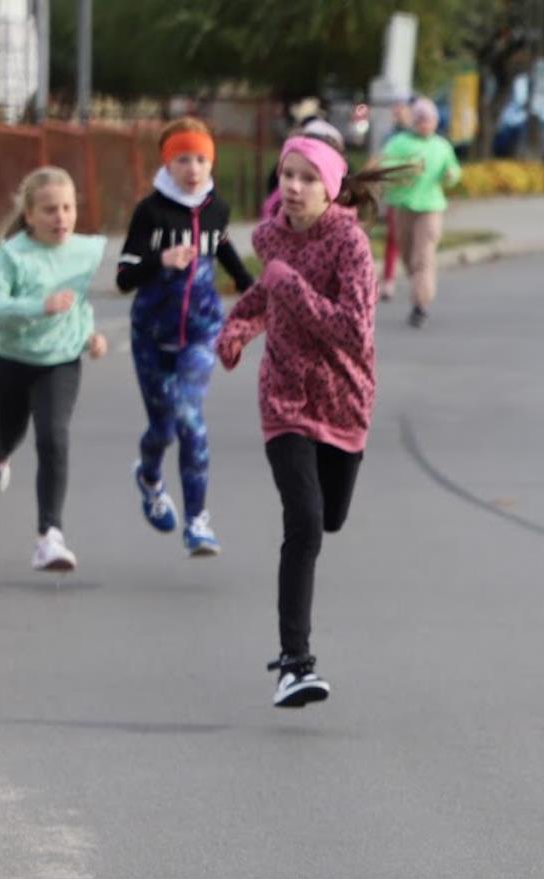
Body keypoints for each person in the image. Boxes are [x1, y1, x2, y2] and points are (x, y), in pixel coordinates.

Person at [216, 137, 388, 708]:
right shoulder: (270, 239)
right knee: (306, 524)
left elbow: (353, 331)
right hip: (285, 399)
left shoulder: (350, 245)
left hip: (344, 400)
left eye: (307, 178)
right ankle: (295, 663)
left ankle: (295, 661)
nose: (293, 187)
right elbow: (265, 296)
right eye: (287, 175)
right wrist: (237, 329)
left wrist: (289, 284)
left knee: (331, 516)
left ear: (331, 188)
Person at [116, 118, 253, 557]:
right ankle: (149, 477)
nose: (192, 168)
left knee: (189, 417)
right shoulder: (150, 212)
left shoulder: (216, 209)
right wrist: (162, 260)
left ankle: (197, 521)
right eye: (182, 160)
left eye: (200, 159)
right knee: (162, 428)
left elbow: (223, 246)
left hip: (201, 331)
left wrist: (252, 289)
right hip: (152, 335)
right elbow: (123, 277)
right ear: (167, 164)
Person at [0, 167, 109, 572]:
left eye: (68, 208)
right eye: (50, 210)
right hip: (12, 361)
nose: (61, 217)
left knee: (53, 438)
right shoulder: (12, 256)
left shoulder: (85, 251)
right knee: (8, 431)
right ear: (30, 215)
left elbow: (79, 302)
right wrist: (39, 306)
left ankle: (49, 536)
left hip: (60, 362)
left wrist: (89, 335)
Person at [378, 98, 462, 328]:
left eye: (429, 119)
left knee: (423, 256)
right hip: (403, 206)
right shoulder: (399, 143)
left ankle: (420, 304)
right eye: (421, 119)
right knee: (407, 255)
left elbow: (453, 170)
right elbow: (384, 167)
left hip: (431, 208)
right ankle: (419, 287)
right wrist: (406, 169)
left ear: (435, 121)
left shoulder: (441, 146)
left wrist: (451, 175)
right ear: (414, 121)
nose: (425, 124)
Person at [377, 100, 412, 301]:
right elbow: (384, 162)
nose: (399, 115)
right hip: (397, 196)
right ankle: (389, 280)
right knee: (393, 238)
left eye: (403, 111)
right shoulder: (390, 137)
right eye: (396, 112)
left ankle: (417, 275)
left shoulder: (418, 137)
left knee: (414, 240)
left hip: (418, 198)